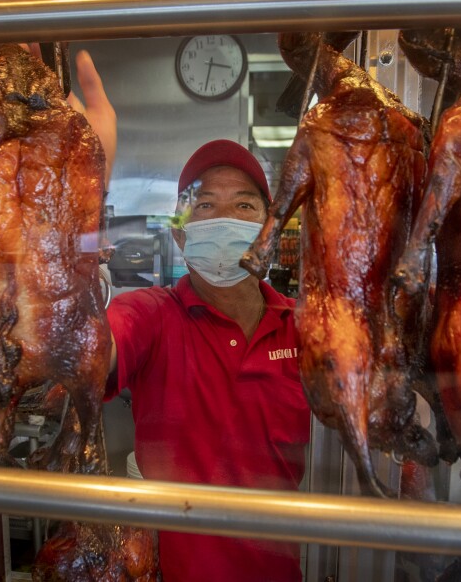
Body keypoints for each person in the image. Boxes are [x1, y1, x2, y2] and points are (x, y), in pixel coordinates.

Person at [70, 50, 311, 582]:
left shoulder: (305, 328)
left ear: (269, 231)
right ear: (180, 234)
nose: (224, 218)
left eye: (245, 206)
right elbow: (81, 348)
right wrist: (78, 188)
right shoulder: (153, 317)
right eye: (204, 206)